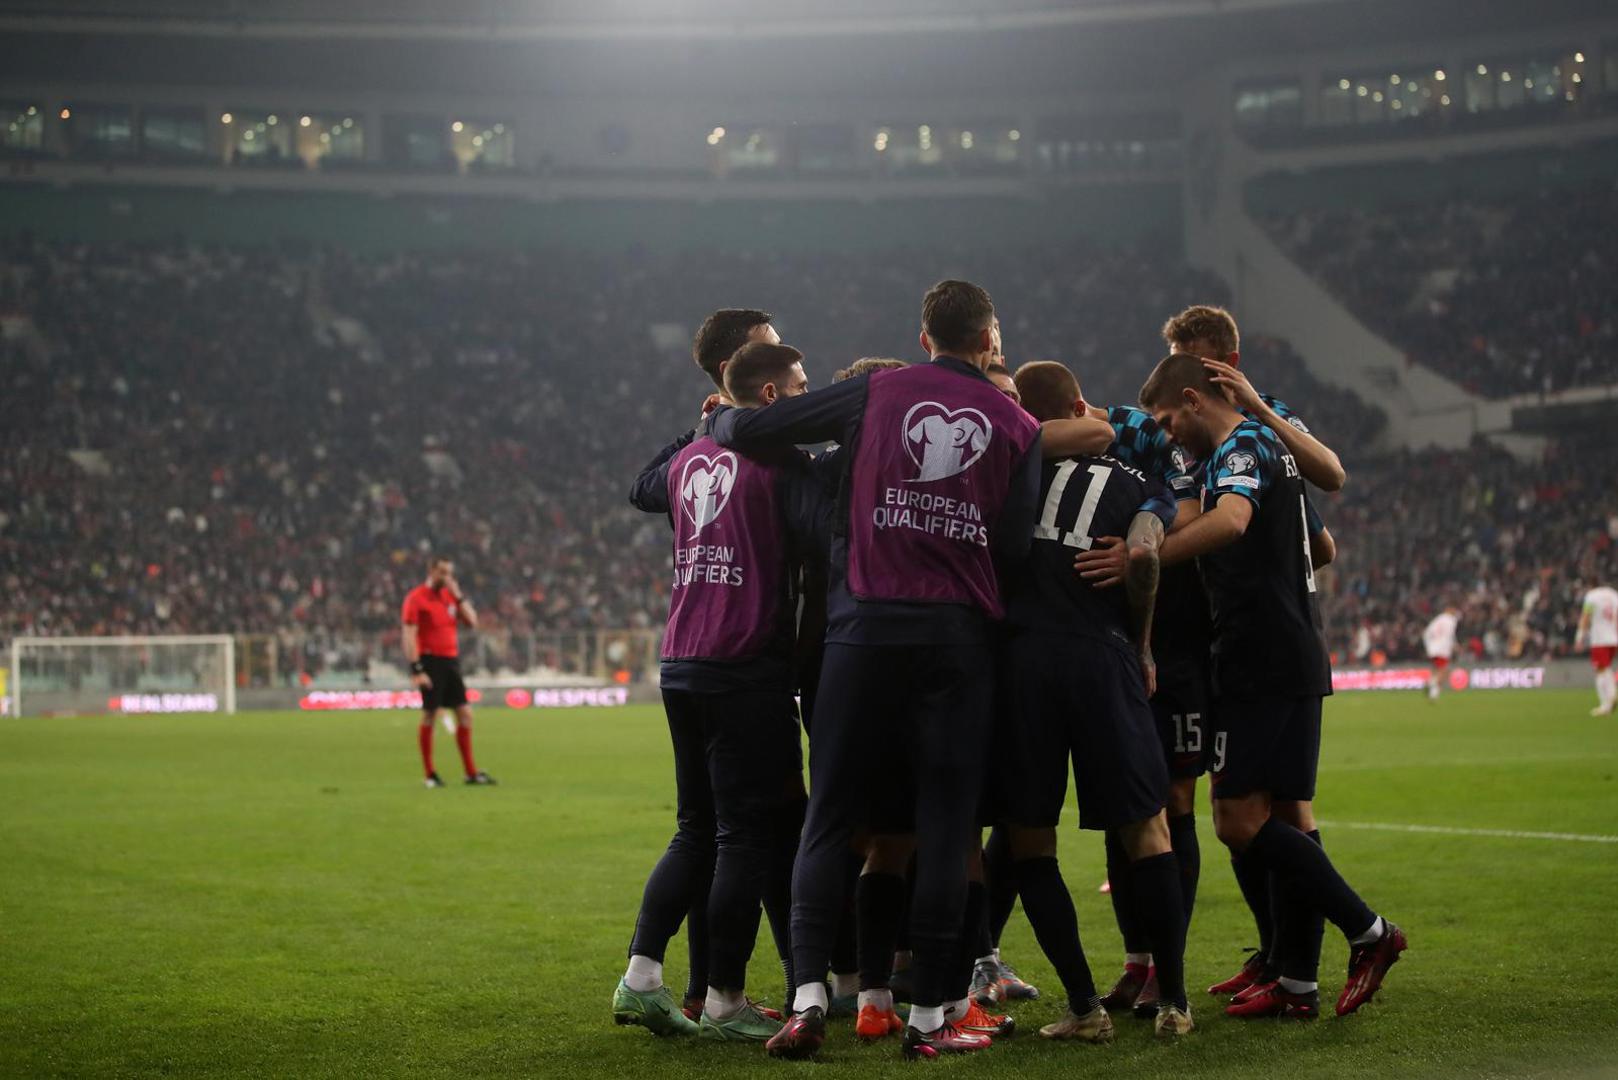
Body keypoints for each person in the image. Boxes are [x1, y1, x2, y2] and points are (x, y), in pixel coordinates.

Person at [713, 279, 1041, 1060]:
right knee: (944, 823)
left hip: (860, 632)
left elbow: (764, 428)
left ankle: (808, 1002)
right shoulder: (1019, 426)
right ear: (989, 340)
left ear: (924, 337)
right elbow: (1018, 547)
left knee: (828, 818)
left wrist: (722, 417)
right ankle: (929, 1020)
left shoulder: (876, 393)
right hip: (956, 639)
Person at [1140, 353, 1405, 1020]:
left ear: (1197, 398)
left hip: (1255, 657)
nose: (1169, 434)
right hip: (1298, 649)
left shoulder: (1237, 447)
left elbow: (1229, 522)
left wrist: (1142, 558)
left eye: (1171, 419)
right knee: (1287, 814)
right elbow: (1324, 544)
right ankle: (1296, 984)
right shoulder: (1271, 441)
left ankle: (1368, 931)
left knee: (1236, 820)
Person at [612, 342, 822, 1042]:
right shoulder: (778, 462)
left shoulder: (689, 460)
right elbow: (825, 534)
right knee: (743, 836)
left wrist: (700, 426)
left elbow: (641, 485)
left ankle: (641, 978)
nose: (807, 394)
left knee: (695, 827)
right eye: (798, 385)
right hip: (744, 664)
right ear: (768, 397)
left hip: (682, 662)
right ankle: (727, 1002)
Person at [1001, 360, 1193, 1039]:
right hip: (1104, 658)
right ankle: (1173, 1003)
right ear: (1081, 407)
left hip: (1024, 664)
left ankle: (1084, 1007)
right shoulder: (1144, 483)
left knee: (1030, 842)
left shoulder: (1013, 469)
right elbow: (1143, 558)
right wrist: (1141, 646)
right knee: (1149, 830)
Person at [402, 557, 494, 788]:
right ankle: (430, 774)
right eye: (442, 573)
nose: (446, 578)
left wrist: (459, 595)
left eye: (449, 573)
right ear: (431, 571)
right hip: (430, 661)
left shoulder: (450, 597)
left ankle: (471, 773)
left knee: (465, 715)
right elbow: (409, 635)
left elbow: (472, 622)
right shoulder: (416, 598)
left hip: (451, 661)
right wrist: (416, 669)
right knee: (430, 715)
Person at [1574, 584, 1618, 716]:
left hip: (1599, 639)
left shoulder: (1591, 596)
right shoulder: (1613, 594)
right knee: (1606, 668)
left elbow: (1586, 617)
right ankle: (1610, 698)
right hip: (1614, 638)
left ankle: (1606, 702)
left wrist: (1579, 636)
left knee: (1600, 670)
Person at [1422, 606, 1461, 703]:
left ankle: (1433, 695)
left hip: (1432, 648)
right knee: (1444, 671)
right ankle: (1431, 684)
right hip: (1442, 648)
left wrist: (1428, 646)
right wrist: (1454, 645)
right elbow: (1450, 635)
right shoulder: (1451, 620)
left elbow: (1426, 633)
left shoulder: (1438, 619)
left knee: (1436, 670)